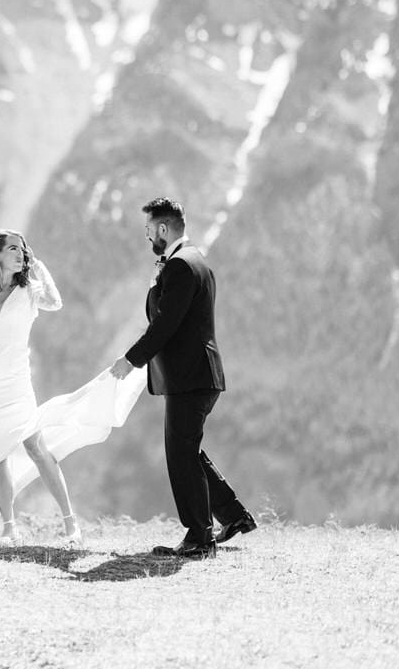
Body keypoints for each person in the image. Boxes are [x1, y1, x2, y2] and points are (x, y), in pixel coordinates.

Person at [110, 197, 257, 559]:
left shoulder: (179, 266)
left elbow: (165, 325)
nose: (148, 239)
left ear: (163, 228)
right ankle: (233, 517)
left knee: (180, 454)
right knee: (187, 450)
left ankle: (199, 537)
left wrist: (131, 360)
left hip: (191, 376)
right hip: (196, 374)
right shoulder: (193, 261)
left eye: (149, 231)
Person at [0, 228, 83, 545]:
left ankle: (71, 524)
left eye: (23, 249)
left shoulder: (29, 290)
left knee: (36, 448)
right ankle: (9, 528)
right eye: (13, 248)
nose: (20, 253)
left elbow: (55, 302)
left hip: (15, 379)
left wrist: (39, 267)